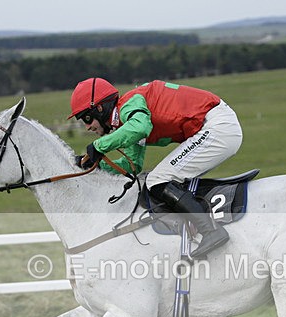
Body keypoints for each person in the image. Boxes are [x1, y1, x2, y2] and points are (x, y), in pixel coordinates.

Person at [68, 77, 243, 258]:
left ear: (100, 108)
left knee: (157, 179)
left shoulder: (130, 104)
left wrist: (100, 146)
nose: (87, 127)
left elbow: (140, 128)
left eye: (87, 118)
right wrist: (98, 166)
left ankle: (210, 231)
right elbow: (132, 165)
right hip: (215, 127)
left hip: (217, 127)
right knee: (158, 179)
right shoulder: (127, 119)